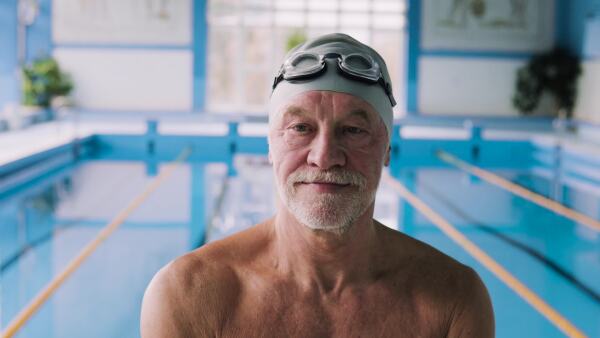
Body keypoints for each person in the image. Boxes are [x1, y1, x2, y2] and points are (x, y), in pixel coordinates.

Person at [140, 33, 494, 337]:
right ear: (270, 144)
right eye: (300, 128)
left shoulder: (452, 301)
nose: (324, 157)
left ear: (387, 148)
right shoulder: (189, 294)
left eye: (353, 130)